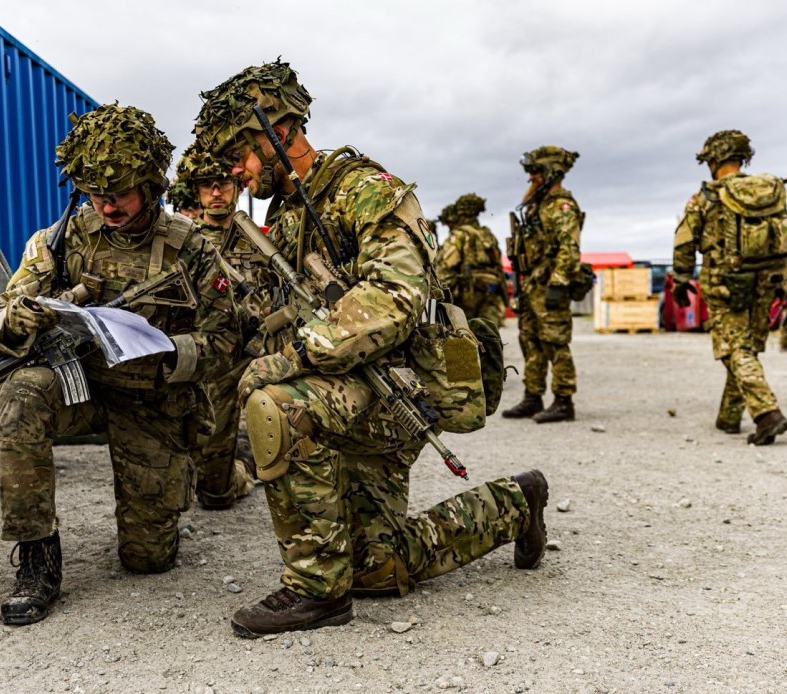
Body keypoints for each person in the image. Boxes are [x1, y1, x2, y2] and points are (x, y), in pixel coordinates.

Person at [193, 60, 549, 639]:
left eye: (242, 152)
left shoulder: (366, 190)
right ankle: (515, 503)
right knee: (379, 569)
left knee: (277, 402)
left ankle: (315, 591)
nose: (234, 170)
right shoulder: (287, 215)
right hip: (350, 381)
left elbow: (394, 300)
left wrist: (288, 360)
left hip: (396, 384)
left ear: (280, 133)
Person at [0, 104, 239, 625]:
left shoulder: (191, 249)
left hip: (151, 397)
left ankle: (232, 476)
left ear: (150, 185)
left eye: (119, 192)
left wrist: (170, 355)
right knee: (22, 394)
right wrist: (21, 318)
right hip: (80, 389)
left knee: (148, 561)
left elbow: (227, 339)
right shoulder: (62, 240)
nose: (107, 205)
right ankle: (37, 557)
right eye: (96, 193)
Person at [671, 130, 787, 445]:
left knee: (735, 349)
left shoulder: (707, 196)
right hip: (767, 281)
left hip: (725, 283)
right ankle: (728, 417)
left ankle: (767, 414)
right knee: (746, 347)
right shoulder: (770, 192)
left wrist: (682, 280)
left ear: (713, 160)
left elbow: (684, 241)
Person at [175, 144, 262, 509]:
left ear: (238, 186)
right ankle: (238, 458)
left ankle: (249, 461)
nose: (215, 193)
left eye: (223, 183)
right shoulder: (181, 243)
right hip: (198, 367)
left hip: (248, 362)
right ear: (195, 190)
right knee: (210, 492)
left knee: (215, 496)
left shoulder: (263, 242)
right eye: (206, 185)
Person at [501, 145, 583, 423]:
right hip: (532, 283)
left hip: (550, 284)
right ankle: (532, 397)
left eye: (536, 172)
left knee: (555, 343)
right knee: (531, 341)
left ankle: (563, 401)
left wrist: (558, 284)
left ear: (551, 172)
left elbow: (568, 248)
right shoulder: (537, 206)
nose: (531, 177)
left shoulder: (562, 205)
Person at [434, 193, 507, 327]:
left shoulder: (460, 235)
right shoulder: (488, 234)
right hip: (491, 293)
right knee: (488, 334)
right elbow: (498, 265)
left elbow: (446, 269)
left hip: (468, 296)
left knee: (466, 339)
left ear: (460, 212)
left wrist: (438, 297)